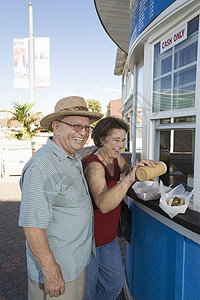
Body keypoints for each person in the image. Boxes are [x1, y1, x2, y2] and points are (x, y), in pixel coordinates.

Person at [18, 96, 103, 300]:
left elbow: (81, 152)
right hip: (59, 272)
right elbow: (32, 227)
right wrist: (51, 272)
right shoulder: (42, 166)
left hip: (74, 263)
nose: (83, 133)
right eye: (75, 126)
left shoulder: (70, 156)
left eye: (86, 127)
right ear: (56, 127)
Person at [82, 116, 157, 300]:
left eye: (123, 140)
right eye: (116, 140)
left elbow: (131, 173)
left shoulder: (117, 159)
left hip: (109, 238)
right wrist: (130, 178)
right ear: (101, 139)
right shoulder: (94, 166)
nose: (121, 145)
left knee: (114, 284)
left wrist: (143, 170)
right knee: (88, 292)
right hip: (88, 241)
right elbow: (103, 204)